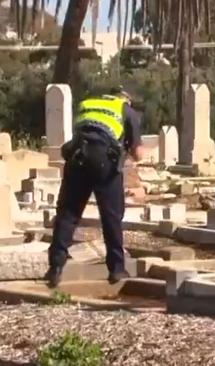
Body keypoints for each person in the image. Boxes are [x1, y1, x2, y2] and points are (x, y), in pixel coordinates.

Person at [44, 87, 145, 288]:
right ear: (125, 99)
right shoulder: (125, 110)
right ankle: (116, 269)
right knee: (111, 215)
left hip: (77, 156)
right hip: (104, 161)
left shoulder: (86, 105)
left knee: (68, 213)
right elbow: (139, 154)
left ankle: (55, 267)